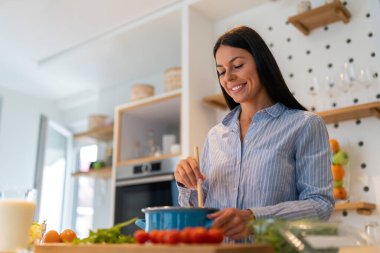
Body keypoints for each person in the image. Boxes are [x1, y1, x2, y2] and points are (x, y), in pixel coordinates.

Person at [174, 26, 334, 241]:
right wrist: (187, 183)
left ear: (261, 62)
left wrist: (255, 219)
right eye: (221, 72)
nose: (228, 77)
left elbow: (320, 205)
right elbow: (200, 211)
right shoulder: (215, 136)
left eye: (237, 65)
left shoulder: (305, 125)